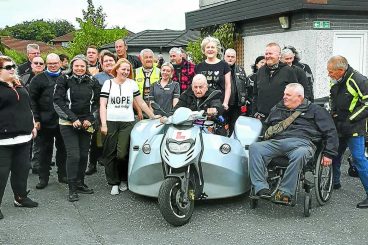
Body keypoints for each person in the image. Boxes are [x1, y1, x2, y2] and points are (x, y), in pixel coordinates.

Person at [249, 83, 338, 202]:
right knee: (255, 147)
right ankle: (260, 187)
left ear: (299, 97)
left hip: (303, 143)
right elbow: (267, 126)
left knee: (300, 154)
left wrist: (329, 154)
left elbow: (331, 132)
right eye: (284, 94)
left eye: (288, 95)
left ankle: (285, 192)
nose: (284, 97)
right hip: (278, 142)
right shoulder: (277, 108)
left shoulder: (316, 111)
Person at [99, 58, 157, 195]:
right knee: (110, 153)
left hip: (127, 123)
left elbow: (141, 103)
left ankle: (124, 179)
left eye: (128, 70)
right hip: (111, 122)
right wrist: (104, 124)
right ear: (117, 69)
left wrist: (153, 116)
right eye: (123, 69)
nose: (125, 72)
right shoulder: (108, 84)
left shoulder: (132, 84)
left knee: (122, 154)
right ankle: (113, 182)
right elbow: (102, 105)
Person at [53, 54, 101, 202]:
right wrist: (72, 118)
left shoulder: (93, 81)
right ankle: (72, 188)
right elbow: (57, 101)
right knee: (73, 155)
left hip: (86, 123)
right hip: (68, 123)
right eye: (76, 66)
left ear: (86, 67)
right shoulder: (64, 79)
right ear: (72, 67)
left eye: (82, 66)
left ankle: (80, 183)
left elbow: (98, 103)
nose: (79, 68)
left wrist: (90, 119)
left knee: (83, 155)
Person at [0, 56, 39, 220]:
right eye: (8, 67)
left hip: (24, 138)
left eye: (13, 66)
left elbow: (27, 106)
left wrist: (32, 124)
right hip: (3, 141)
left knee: (22, 170)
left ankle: (20, 198)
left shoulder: (19, 84)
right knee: (1, 175)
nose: (12, 69)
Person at [328, 55, 368, 208]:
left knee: (359, 159)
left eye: (331, 72)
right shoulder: (336, 79)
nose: (328, 74)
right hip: (339, 126)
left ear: (341, 70)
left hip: (354, 127)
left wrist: (350, 119)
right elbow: (333, 97)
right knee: (335, 155)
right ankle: (334, 182)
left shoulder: (358, 79)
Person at [29, 53, 67, 189]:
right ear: (46, 64)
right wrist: (36, 119)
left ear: (60, 63)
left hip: (63, 120)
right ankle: (43, 178)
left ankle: (63, 175)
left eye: (55, 63)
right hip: (44, 121)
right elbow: (32, 100)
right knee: (44, 151)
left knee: (63, 149)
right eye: (50, 64)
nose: (52, 66)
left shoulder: (66, 77)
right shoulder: (38, 79)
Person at [252, 42, 310, 120]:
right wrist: (255, 113)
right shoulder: (260, 72)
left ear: (279, 55)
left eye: (270, 53)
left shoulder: (288, 71)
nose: (268, 56)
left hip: (282, 119)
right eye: (266, 54)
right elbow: (255, 95)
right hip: (262, 119)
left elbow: (296, 95)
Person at [85, 51, 117, 176]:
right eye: (106, 61)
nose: (109, 63)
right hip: (99, 112)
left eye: (111, 60)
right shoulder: (97, 77)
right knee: (96, 139)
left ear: (115, 62)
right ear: (102, 64)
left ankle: (110, 163)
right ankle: (92, 163)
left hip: (116, 111)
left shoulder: (120, 76)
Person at [195, 36, 231, 112]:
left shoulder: (224, 65)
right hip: (203, 103)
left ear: (217, 50)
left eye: (212, 47)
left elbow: (228, 86)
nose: (210, 49)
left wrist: (225, 103)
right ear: (204, 50)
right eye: (208, 47)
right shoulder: (199, 66)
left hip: (219, 104)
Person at [224, 48, 248, 134]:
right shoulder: (220, 69)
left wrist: (244, 101)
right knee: (223, 127)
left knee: (235, 128)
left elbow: (245, 86)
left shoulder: (241, 70)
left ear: (235, 58)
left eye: (232, 57)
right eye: (228, 56)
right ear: (224, 57)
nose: (230, 58)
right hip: (224, 105)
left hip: (236, 105)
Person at [135, 48, 161, 119]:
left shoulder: (160, 72)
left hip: (156, 108)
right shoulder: (135, 72)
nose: (148, 59)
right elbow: (132, 93)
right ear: (141, 59)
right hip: (139, 109)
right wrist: (138, 110)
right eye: (146, 57)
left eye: (150, 57)